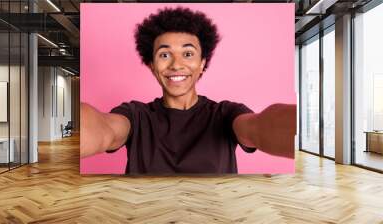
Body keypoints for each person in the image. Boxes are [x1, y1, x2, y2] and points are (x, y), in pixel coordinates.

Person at [81, 7, 296, 174]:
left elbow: (261, 127)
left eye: (188, 54)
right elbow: (104, 130)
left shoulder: (226, 114)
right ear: (152, 66)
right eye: (164, 55)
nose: (176, 65)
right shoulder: (136, 116)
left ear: (202, 63)